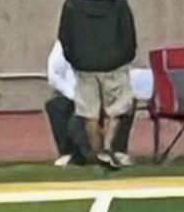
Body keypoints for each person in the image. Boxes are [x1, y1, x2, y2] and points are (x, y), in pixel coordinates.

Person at [56, 0, 137, 171]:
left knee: (89, 113)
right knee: (116, 110)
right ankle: (109, 149)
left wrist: (74, 58)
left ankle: (97, 153)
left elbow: (64, 34)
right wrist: (125, 56)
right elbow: (128, 31)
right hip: (115, 64)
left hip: (84, 65)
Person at [45, 37, 134, 169]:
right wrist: (74, 95)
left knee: (125, 102)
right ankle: (70, 153)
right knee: (55, 105)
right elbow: (54, 75)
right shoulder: (63, 45)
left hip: (106, 91)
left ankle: (117, 151)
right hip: (74, 92)